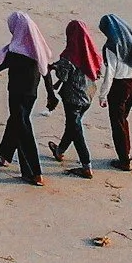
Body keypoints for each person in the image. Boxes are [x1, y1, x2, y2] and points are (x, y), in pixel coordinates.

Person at [0, 12, 49, 183]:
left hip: (17, 93)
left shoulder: (16, 51)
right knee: (16, 121)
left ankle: (34, 172)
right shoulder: (37, 49)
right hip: (32, 93)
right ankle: (4, 155)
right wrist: (51, 95)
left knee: (23, 127)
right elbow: (45, 71)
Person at [47, 19, 105, 176]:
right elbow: (98, 72)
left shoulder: (69, 55)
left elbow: (63, 76)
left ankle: (86, 165)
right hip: (88, 96)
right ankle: (59, 150)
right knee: (73, 125)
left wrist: (55, 67)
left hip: (73, 98)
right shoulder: (92, 53)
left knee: (76, 128)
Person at [97, 13, 132, 170]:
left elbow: (110, 73)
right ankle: (126, 152)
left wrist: (103, 94)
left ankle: (124, 160)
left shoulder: (112, 47)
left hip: (118, 88)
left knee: (117, 122)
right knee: (123, 120)